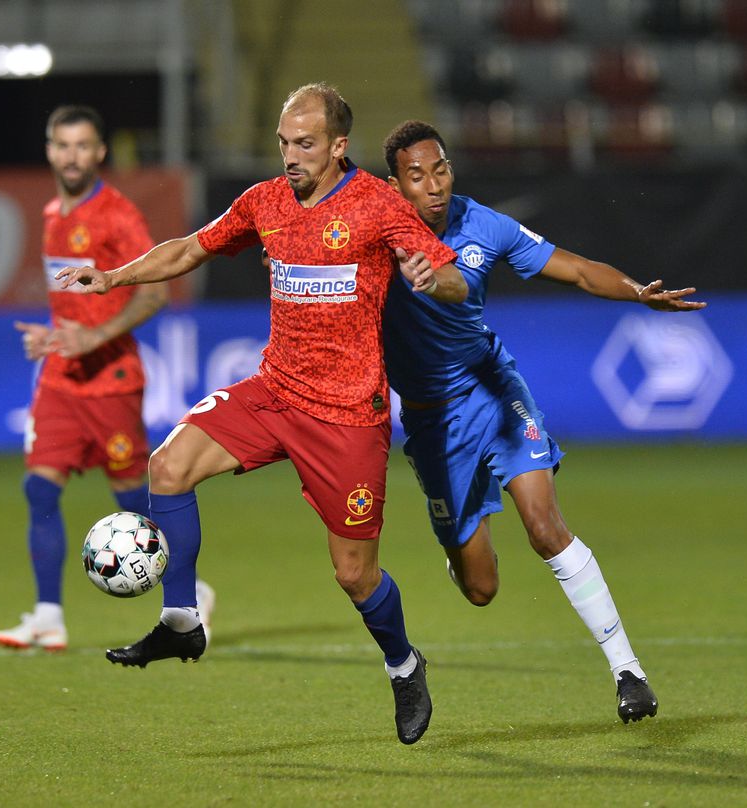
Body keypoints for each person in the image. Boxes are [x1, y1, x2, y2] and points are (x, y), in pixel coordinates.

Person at [58, 83, 467, 745]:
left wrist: (431, 277)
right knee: (167, 468)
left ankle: (403, 663)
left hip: (347, 418)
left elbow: (451, 276)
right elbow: (191, 247)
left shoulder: (376, 204)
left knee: (354, 575)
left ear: (338, 146)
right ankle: (182, 622)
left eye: (305, 144)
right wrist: (112, 278)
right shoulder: (265, 201)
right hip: (274, 392)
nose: (290, 156)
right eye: (283, 143)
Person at [380, 119, 707, 723]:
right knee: (480, 588)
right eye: (417, 176)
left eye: (441, 169)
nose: (434, 185)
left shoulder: (487, 226)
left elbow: (578, 269)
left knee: (543, 524)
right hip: (431, 425)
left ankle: (627, 671)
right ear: (395, 186)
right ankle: (458, 547)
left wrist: (639, 293)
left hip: (493, 389)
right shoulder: (375, 238)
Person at [0, 105, 213, 651]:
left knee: (134, 504)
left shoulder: (116, 214)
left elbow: (156, 291)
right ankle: (48, 615)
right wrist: (54, 337)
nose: (71, 156)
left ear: (99, 153)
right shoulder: (51, 213)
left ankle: (192, 591)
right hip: (61, 380)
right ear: (49, 150)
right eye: (62, 145)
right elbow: (71, 303)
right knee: (38, 487)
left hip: (112, 380)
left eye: (82, 146)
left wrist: (93, 338)